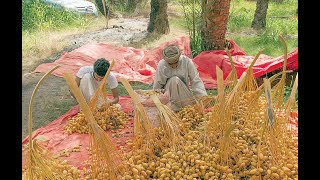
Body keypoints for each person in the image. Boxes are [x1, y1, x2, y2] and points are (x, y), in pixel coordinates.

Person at [153, 44, 207, 112]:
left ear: (179, 58)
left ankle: (186, 109)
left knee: (190, 110)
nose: (173, 65)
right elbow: (157, 86)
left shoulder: (187, 61)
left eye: (175, 62)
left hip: (184, 93)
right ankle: (173, 109)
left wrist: (203, 98)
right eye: (170, 64)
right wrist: (156, 102)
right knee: (174, 80)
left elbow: (196, 81)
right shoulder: (162, 65)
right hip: (168, 95)